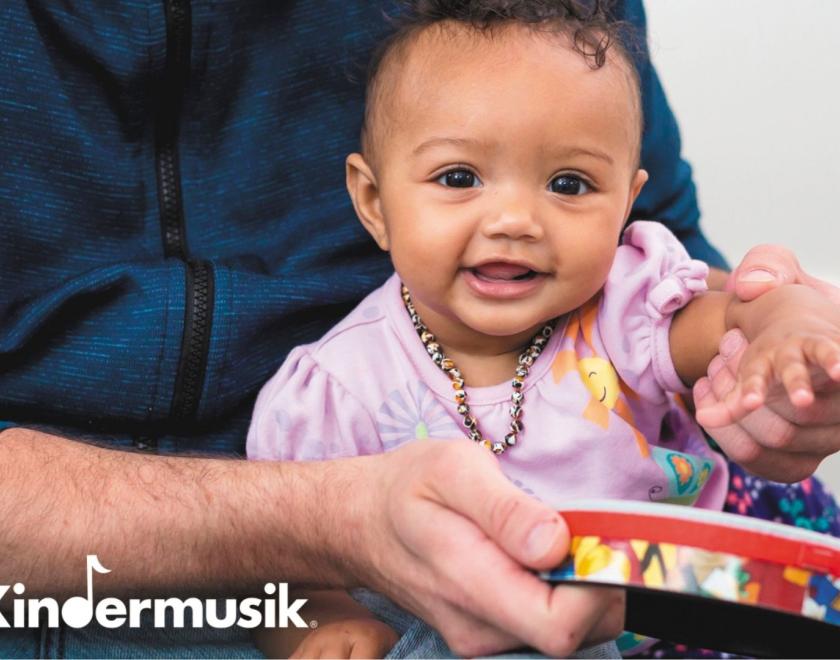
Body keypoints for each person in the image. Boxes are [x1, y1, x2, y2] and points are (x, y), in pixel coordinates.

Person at [1, 1, 839, 657]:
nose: (515, 219)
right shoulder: (335, 388)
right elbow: (278, 567)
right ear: (371, 201)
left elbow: (720, 322)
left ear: (625, 200)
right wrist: (318, 626)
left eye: (571, 185)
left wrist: (781, 325)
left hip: (677, 613)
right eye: (460, 176)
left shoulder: (622, 303)